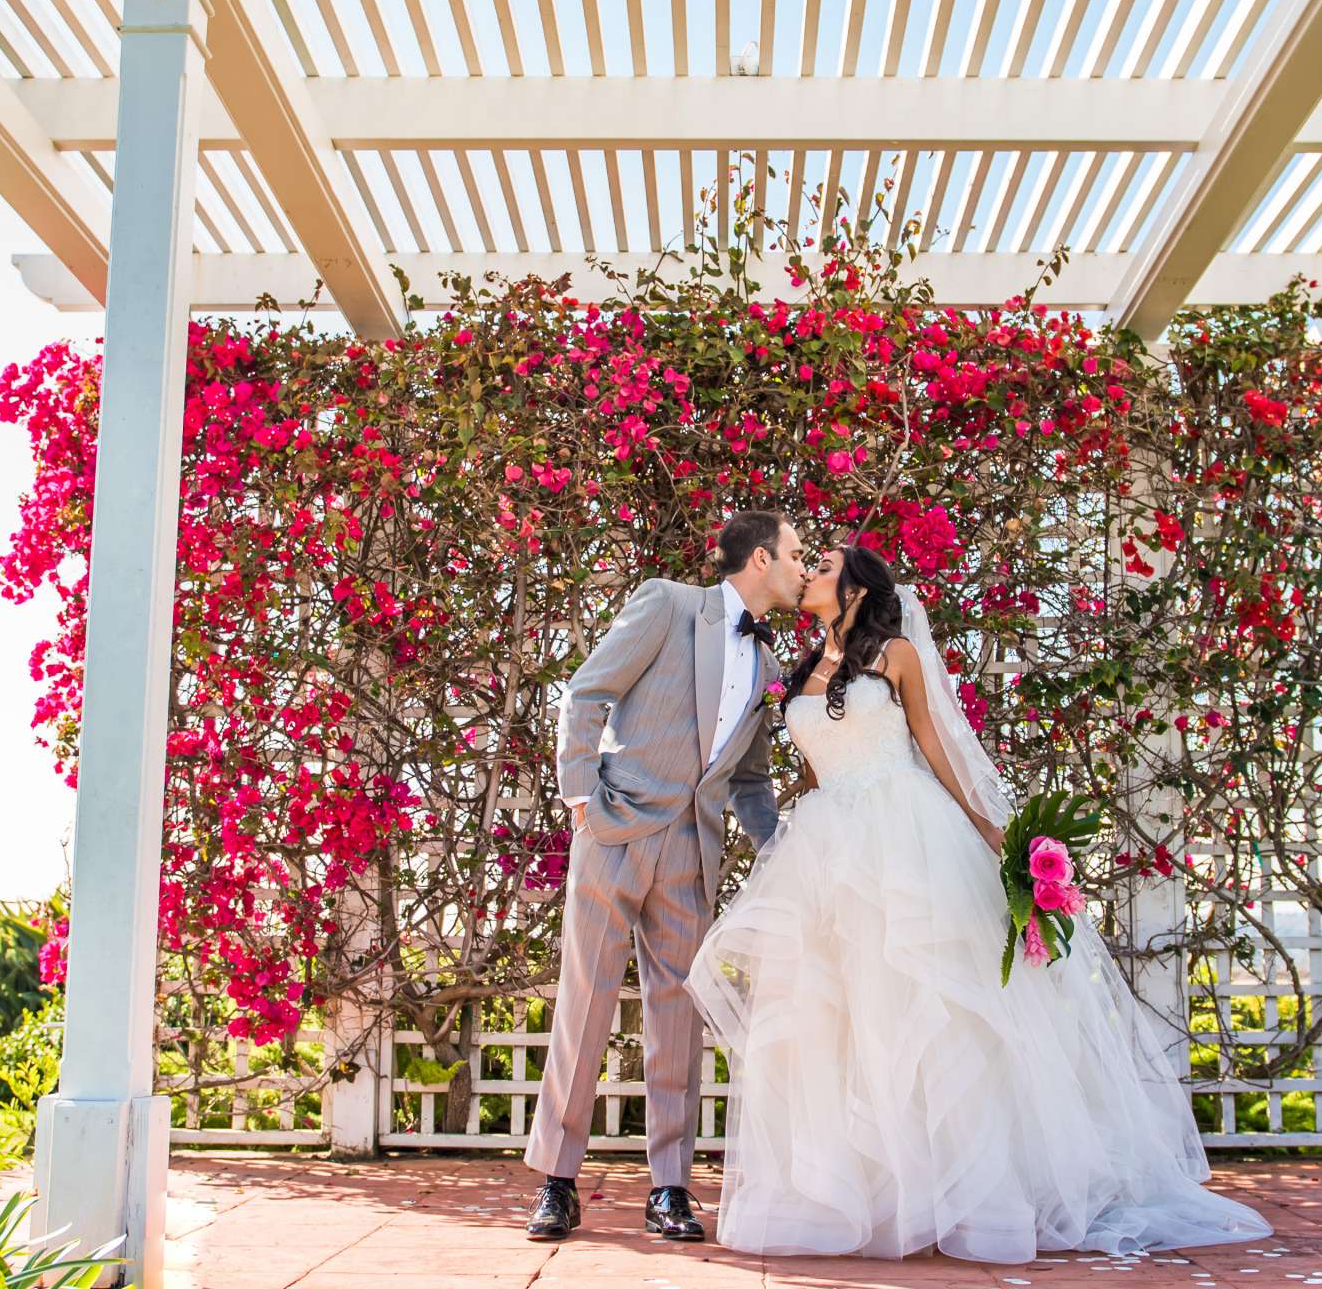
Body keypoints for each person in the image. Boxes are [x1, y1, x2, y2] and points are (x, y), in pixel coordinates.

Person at [686, 543, 1272, 1263]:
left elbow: (935, 747)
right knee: (843, 1018)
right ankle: (870, 1197)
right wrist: (790, 858)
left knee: (931, 1011)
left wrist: (986, 828)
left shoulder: (895, 654)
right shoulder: (801, 671)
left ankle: (968, 1195)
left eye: (828, 566)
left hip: (906, 836)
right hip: (831, 845)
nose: (811, 573)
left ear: (861, 590)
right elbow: (813, 774)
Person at [520, 510, 804, 1243]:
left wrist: (780, 847)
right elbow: (587, 692)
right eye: (798, 555)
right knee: (585, 1003)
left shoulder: (769, 666)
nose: (805, 568)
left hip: (691, 852)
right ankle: (557, 1182)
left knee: (678, 1019)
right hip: (615, 830)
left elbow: (749, 778)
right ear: (763, 559)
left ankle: (669, 1190)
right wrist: (580, 796)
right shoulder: (668, 602)